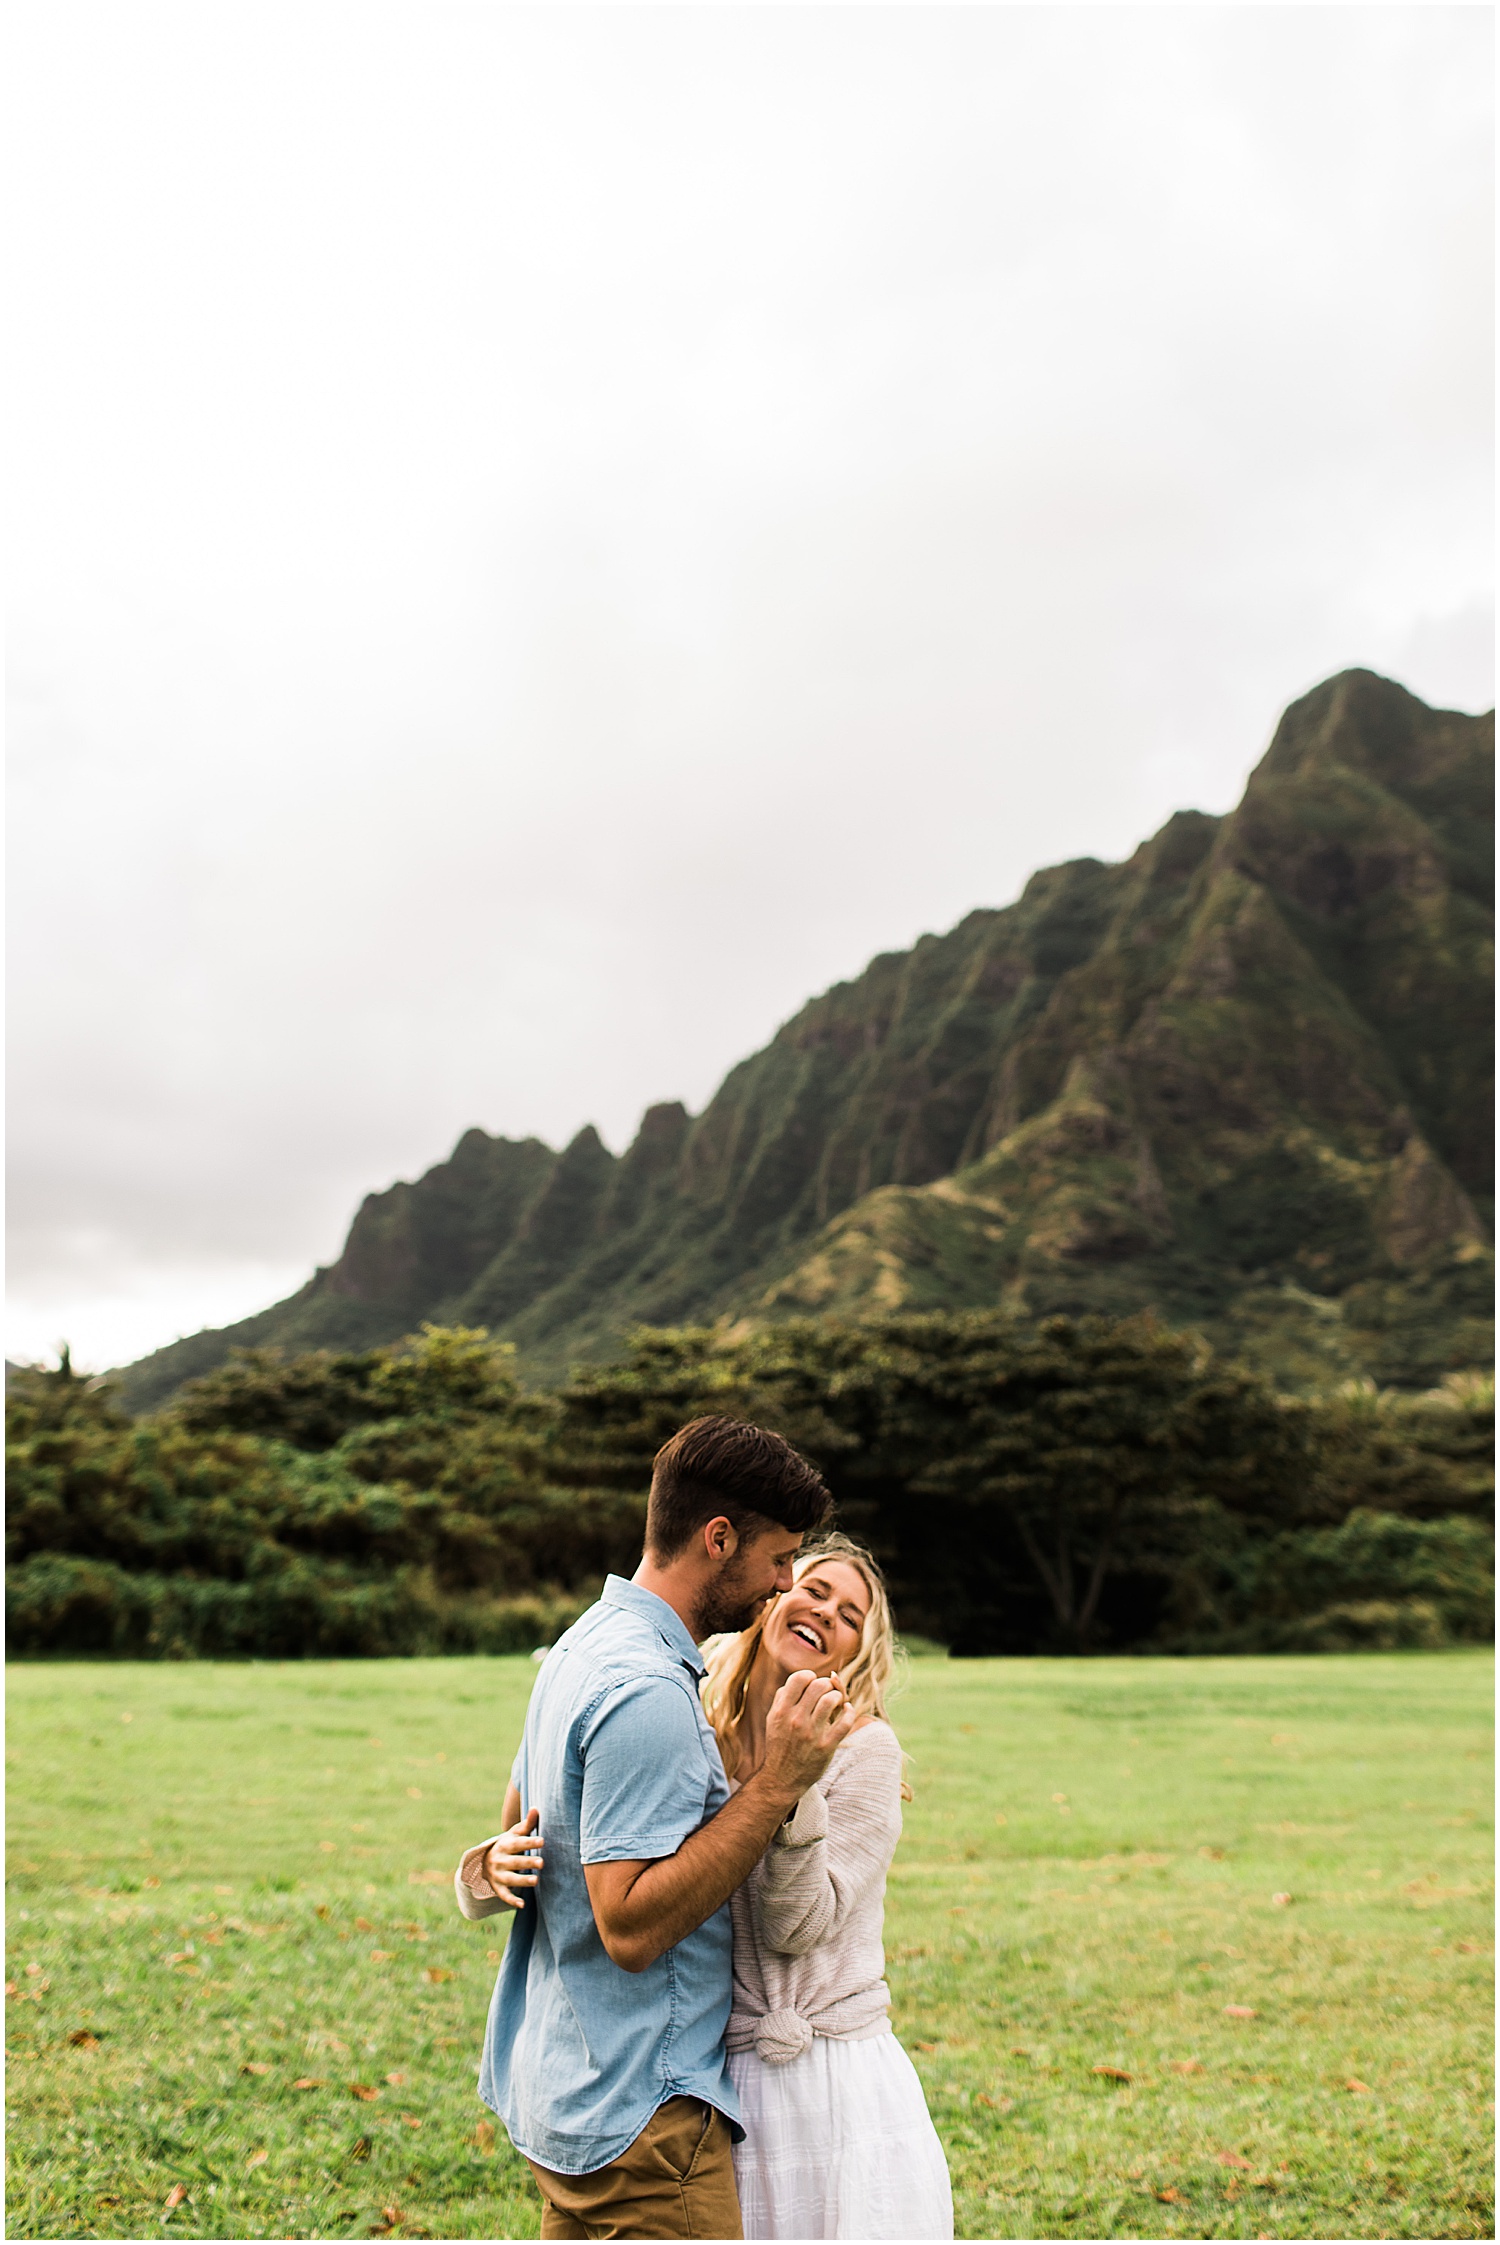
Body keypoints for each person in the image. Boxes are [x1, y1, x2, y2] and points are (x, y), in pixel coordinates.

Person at [453, 1415, 854, 2240]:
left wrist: (485, 1866)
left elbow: (521, 1821)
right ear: (717, 1538)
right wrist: (778, 1779)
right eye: (779, 1557)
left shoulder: (582, 1645)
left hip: (565, 2082)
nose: (784, 1582)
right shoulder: (648, 1690)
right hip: (641, 2113)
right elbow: (630, 1925)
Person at [700, 1532, 953, 2241]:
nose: (826, 1614)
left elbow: (795, 1925)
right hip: (719, 2078)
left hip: (836, 2081)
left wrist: (794, 1775)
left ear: (855, 1651)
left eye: (849, 1615)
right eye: (815, 1589)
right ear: (775, 1592)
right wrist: (491, 1865)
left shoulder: (867, 1751)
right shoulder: (700, 1730)